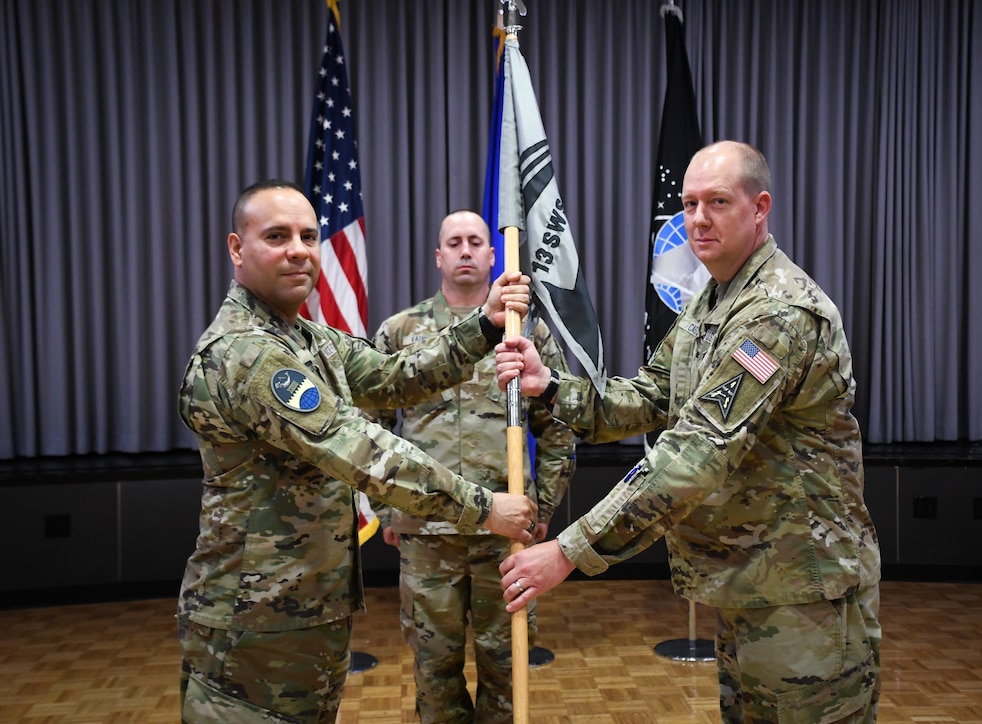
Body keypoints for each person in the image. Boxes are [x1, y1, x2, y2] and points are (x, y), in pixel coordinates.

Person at [495, 141, 882, 723]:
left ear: (760, 207)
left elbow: (694, 454)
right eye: (689, 204)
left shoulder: (777, 313)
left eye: (718, 202)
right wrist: (549, 386)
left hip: (806, 596)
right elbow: (651, 396)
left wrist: (570, 551)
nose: (698, 219)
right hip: (751, 584)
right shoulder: (713, 301)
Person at [176, 179, 538, 723]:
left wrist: (483, 327)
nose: (298, 250)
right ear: (237, 248)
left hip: (304, 606)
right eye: (276, 236)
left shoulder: (309, 338)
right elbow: (362, 450)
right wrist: (485, 507)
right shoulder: (249, 354)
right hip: (253, 620)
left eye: (307, 235)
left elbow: (395, 377)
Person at [370, 210, 576, 723]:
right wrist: (384, 507)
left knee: (507, 670)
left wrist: (544, 506)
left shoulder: (526, 334)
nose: (465, 250)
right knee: (432, 672)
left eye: (475, 241)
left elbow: (560, 425)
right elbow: (366, 425)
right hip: (426, 534)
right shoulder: (400, 332)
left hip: (504, 538)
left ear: (492, 255)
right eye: (454, 242)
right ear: (439, 256)